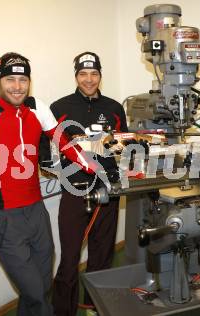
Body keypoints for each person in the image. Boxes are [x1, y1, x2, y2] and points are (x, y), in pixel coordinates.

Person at [0, 52, 102, 316]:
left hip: (36, 212)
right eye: (10, 79)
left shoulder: (38, 108)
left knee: (41, 285)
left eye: (23, 79)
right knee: (35, 292)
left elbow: (65, 143)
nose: (17, 86)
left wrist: (95, 168)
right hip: (2, 216)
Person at [49, 51, 128, 316]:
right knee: (70, 257)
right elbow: (44, 146)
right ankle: (64, 311)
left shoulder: (115, 108)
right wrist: (56, 168)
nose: (89, 79)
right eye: (83, 74)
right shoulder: (60, 107)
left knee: (102, 254)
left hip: (108, 189)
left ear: (100, 76)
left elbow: (123, 145)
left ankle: (96, 307)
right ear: (76, 76)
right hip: (74, 191)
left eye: (94, 74)